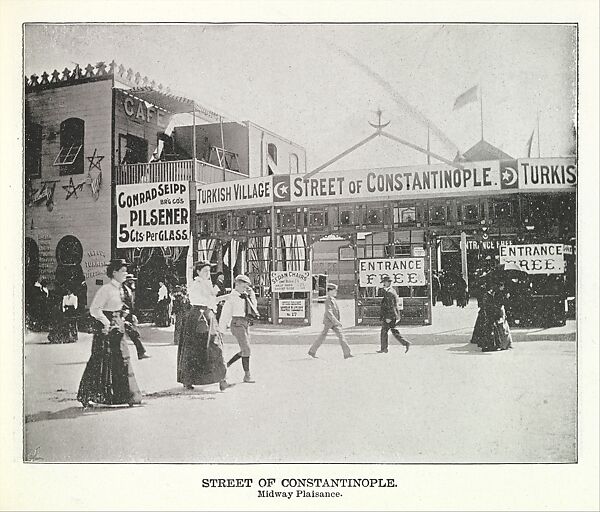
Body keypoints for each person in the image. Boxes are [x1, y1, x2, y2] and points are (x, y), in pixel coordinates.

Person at [77, 259, 142, 408]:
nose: (125, 273)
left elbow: (124, 307)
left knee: (123, 358)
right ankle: (87, 396)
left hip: (118, 327)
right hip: (105, 330)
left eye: (126, 270)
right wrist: (107, 323)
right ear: (114, 272)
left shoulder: (122, 289)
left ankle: (129, 396)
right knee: (100, 362)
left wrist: (127, 317)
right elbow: (95, 309)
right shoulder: (105, 290)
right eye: (123, 271)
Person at [177, 261, 233, 391]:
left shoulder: (207, 284)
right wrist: (224, 297)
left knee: (214, 347)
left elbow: (211, 301)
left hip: (208, 315)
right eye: (205, 271)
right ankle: (189, 379)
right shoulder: (196, 285)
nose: (208, 274)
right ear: (198, 272)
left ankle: (221, 379)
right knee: (196, 349)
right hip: (199, 317)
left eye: (209, 271)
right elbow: (207, 301)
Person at [219, 274, 259, 383]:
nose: (245, 289)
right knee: (247, 349)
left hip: (246, 323)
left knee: (244, 350)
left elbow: (254, 309)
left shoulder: (246, 296)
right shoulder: (231, 297)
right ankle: (247, 375)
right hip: (237, 323)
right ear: (237, 284)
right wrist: (221, 330)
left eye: (247, 287)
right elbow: (225, 314)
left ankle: (226, 366)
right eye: (244, 287)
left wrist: (252, 296)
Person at [308, 283, 352, 359]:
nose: (336, 292)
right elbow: (329, 312)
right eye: (334, 290)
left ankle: (347, 353)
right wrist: (336, 321)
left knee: (340, 336)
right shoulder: (328, 300)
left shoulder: (333, 299)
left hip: (333, 322)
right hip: (329, 322)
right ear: (330, 291)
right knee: (323, 337)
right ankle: (312, 351)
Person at [471, 280, 513, 352]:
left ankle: (492, 344)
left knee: (492, 328)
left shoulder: (491, 293)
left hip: (490, 312)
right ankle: (498, 344)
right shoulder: (495, 294)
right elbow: (498, 303)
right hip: (493, 312)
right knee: (499, 328)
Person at [378, 276, 411, 353]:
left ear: (388, 283)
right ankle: (405, 343)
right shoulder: (391, 291)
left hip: (390, 316)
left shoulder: (389, 293)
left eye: (384, 282)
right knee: (393, 331)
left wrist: (388, 317)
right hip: (393, 315)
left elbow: (391, 306)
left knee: (385, 331)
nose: (383, 284)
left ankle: (384, 348)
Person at [123, 274, 150, 359]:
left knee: (134, 334)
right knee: (133, 334)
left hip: (129, 315)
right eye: (131, 281)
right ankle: (141, 352)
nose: (133, 282)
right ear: (127, 282)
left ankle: (141, 352)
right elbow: (122, 302)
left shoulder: (129, 290)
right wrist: (125, 313)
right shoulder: (123, 290)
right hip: (124, 315)